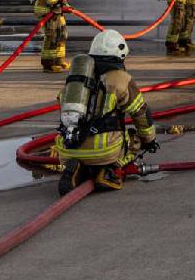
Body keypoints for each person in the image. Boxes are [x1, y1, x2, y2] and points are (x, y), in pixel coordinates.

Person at [56, 29, 157, 195]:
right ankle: (109, 170)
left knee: (84, 149)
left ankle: (78, 168)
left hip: (68, 149)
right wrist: (150, 140)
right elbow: (141, 113)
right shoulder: (121, 79)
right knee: (135, 139)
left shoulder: (78, 77)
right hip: (104, 151)